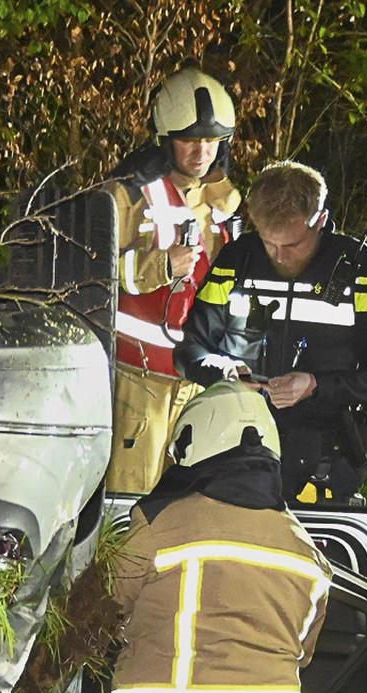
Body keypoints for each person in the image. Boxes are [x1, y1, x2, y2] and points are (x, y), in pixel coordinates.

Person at [45, 381, 331, 693]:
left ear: (192, 445)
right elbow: (300, 653)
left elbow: (82, 621)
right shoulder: (306, 552)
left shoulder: (161, 525)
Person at [175, 160, 367, 505]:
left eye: (293, 244)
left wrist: (316, 385)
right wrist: (224, 371)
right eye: (269, 242)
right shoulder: (236, 259)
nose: (280, 257)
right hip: (236, 452)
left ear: (322, 222)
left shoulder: (361, 270)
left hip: (327, 461)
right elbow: (189, 350)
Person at [102, 67, 244, 495]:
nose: (201, 151)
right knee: (132, 495)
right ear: (166, 139)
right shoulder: (126, 195)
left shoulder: (223, 202)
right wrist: (162, 266)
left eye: (210, 140)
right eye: (190, 139)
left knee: (189, 499)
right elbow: (98, 273)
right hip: (138, 377)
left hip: (198, 378)